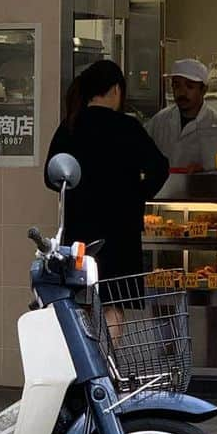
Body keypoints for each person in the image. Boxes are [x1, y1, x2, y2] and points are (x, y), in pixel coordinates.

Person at [45, 60, 169, 333]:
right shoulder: (127, 127)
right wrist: (136, 195)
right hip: (121, 232)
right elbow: (160, 168)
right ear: (115, 89)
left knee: (83, 301)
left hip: (80, 231)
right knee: (114, 304)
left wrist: (80, 195)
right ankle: (108, 369)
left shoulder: (70, 127)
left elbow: (50, 176)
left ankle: (89, 365)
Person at [146, 59, 217, 171]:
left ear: (204, 90)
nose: (182, 93)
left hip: (200, 188)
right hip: (164, 188)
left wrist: (206, 169)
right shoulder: (160, 120)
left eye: (189, 86)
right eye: (176, 86)